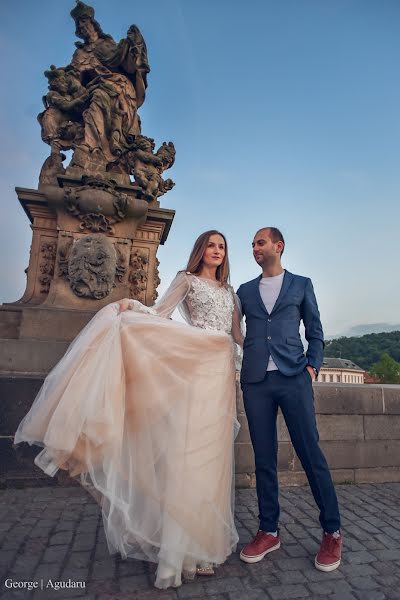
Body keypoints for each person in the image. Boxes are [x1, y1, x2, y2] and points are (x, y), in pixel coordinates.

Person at [14, 230, 243, 589]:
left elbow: (237, 336)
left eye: (222, 246)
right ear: (201, 250)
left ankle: (201, 548)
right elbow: (160, 314)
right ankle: (178, 552)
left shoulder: (230, 292)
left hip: (221, 376)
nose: (217, 251)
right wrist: (132, 308)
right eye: (211, 245)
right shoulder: (186, 280)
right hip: (196, 372)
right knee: (188, 457)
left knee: (211, 461)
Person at [236, 227, 342, 573]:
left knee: (310, 453)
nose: (255, 248)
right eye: (252, 244)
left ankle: (332, 531)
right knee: (264, 458)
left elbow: (315, 331)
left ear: (278, 246)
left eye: (260, 242)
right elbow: (235, 330)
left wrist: (311, 368)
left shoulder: (301, 284)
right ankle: (269, 530)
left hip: (293, 377)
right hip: (255, 381)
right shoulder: (245, 291)